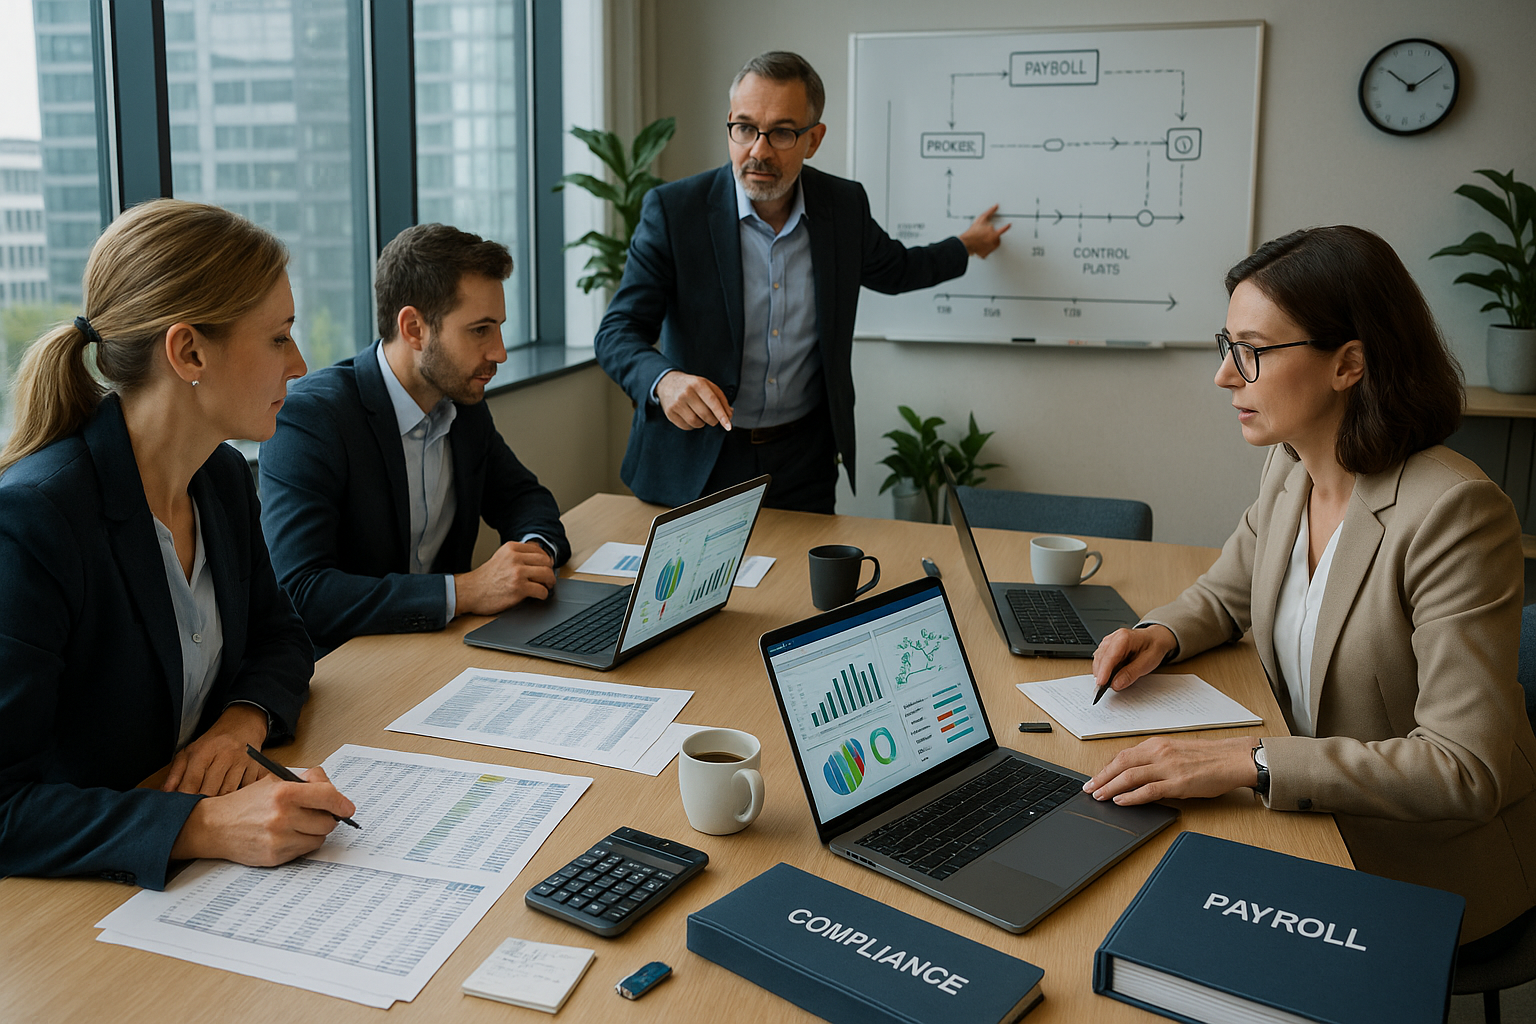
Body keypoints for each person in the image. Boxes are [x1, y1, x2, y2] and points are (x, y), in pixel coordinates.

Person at [1083, 225, 1536, 949]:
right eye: (1227, 345)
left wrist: (1250, 761)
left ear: (1348, 364)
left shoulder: (1454, 513)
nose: (1224, 375)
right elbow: (1227, 592)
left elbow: (1463, 767)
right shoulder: (1291, 466)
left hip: (1419, 868)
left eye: (1252, 350)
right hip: (1305, 819)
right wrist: (1159, 633)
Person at [0, 199, 355, 890]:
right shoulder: (35, 520)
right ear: (189, 351)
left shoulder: (220, 476)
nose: (300, 363)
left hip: (201, 880)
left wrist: (240, 723)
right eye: (279, 338)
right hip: (75, 904)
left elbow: (282, 637)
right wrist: (205, 826)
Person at [595, 50, 1010, 514]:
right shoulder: (675, 211)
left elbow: (898, 269)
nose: (758, 150)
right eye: (745, 128)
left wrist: (967, 245)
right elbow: (617, 332)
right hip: (698, 459)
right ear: (730, 124)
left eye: (782, 132)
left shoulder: (843, 206)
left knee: (808, 567)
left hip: (803, 461)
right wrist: (664, 381)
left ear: (813, 139)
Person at [259, 223, 570, 656]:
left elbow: (523, 498)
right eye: (480, 330)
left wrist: (531, 556)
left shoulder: (462, 404)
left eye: (499, 327)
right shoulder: (312, 420)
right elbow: (302, 592)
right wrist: (465, 591)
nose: (499, 352)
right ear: (414, 328)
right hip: (348, 668)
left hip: (444, 650)